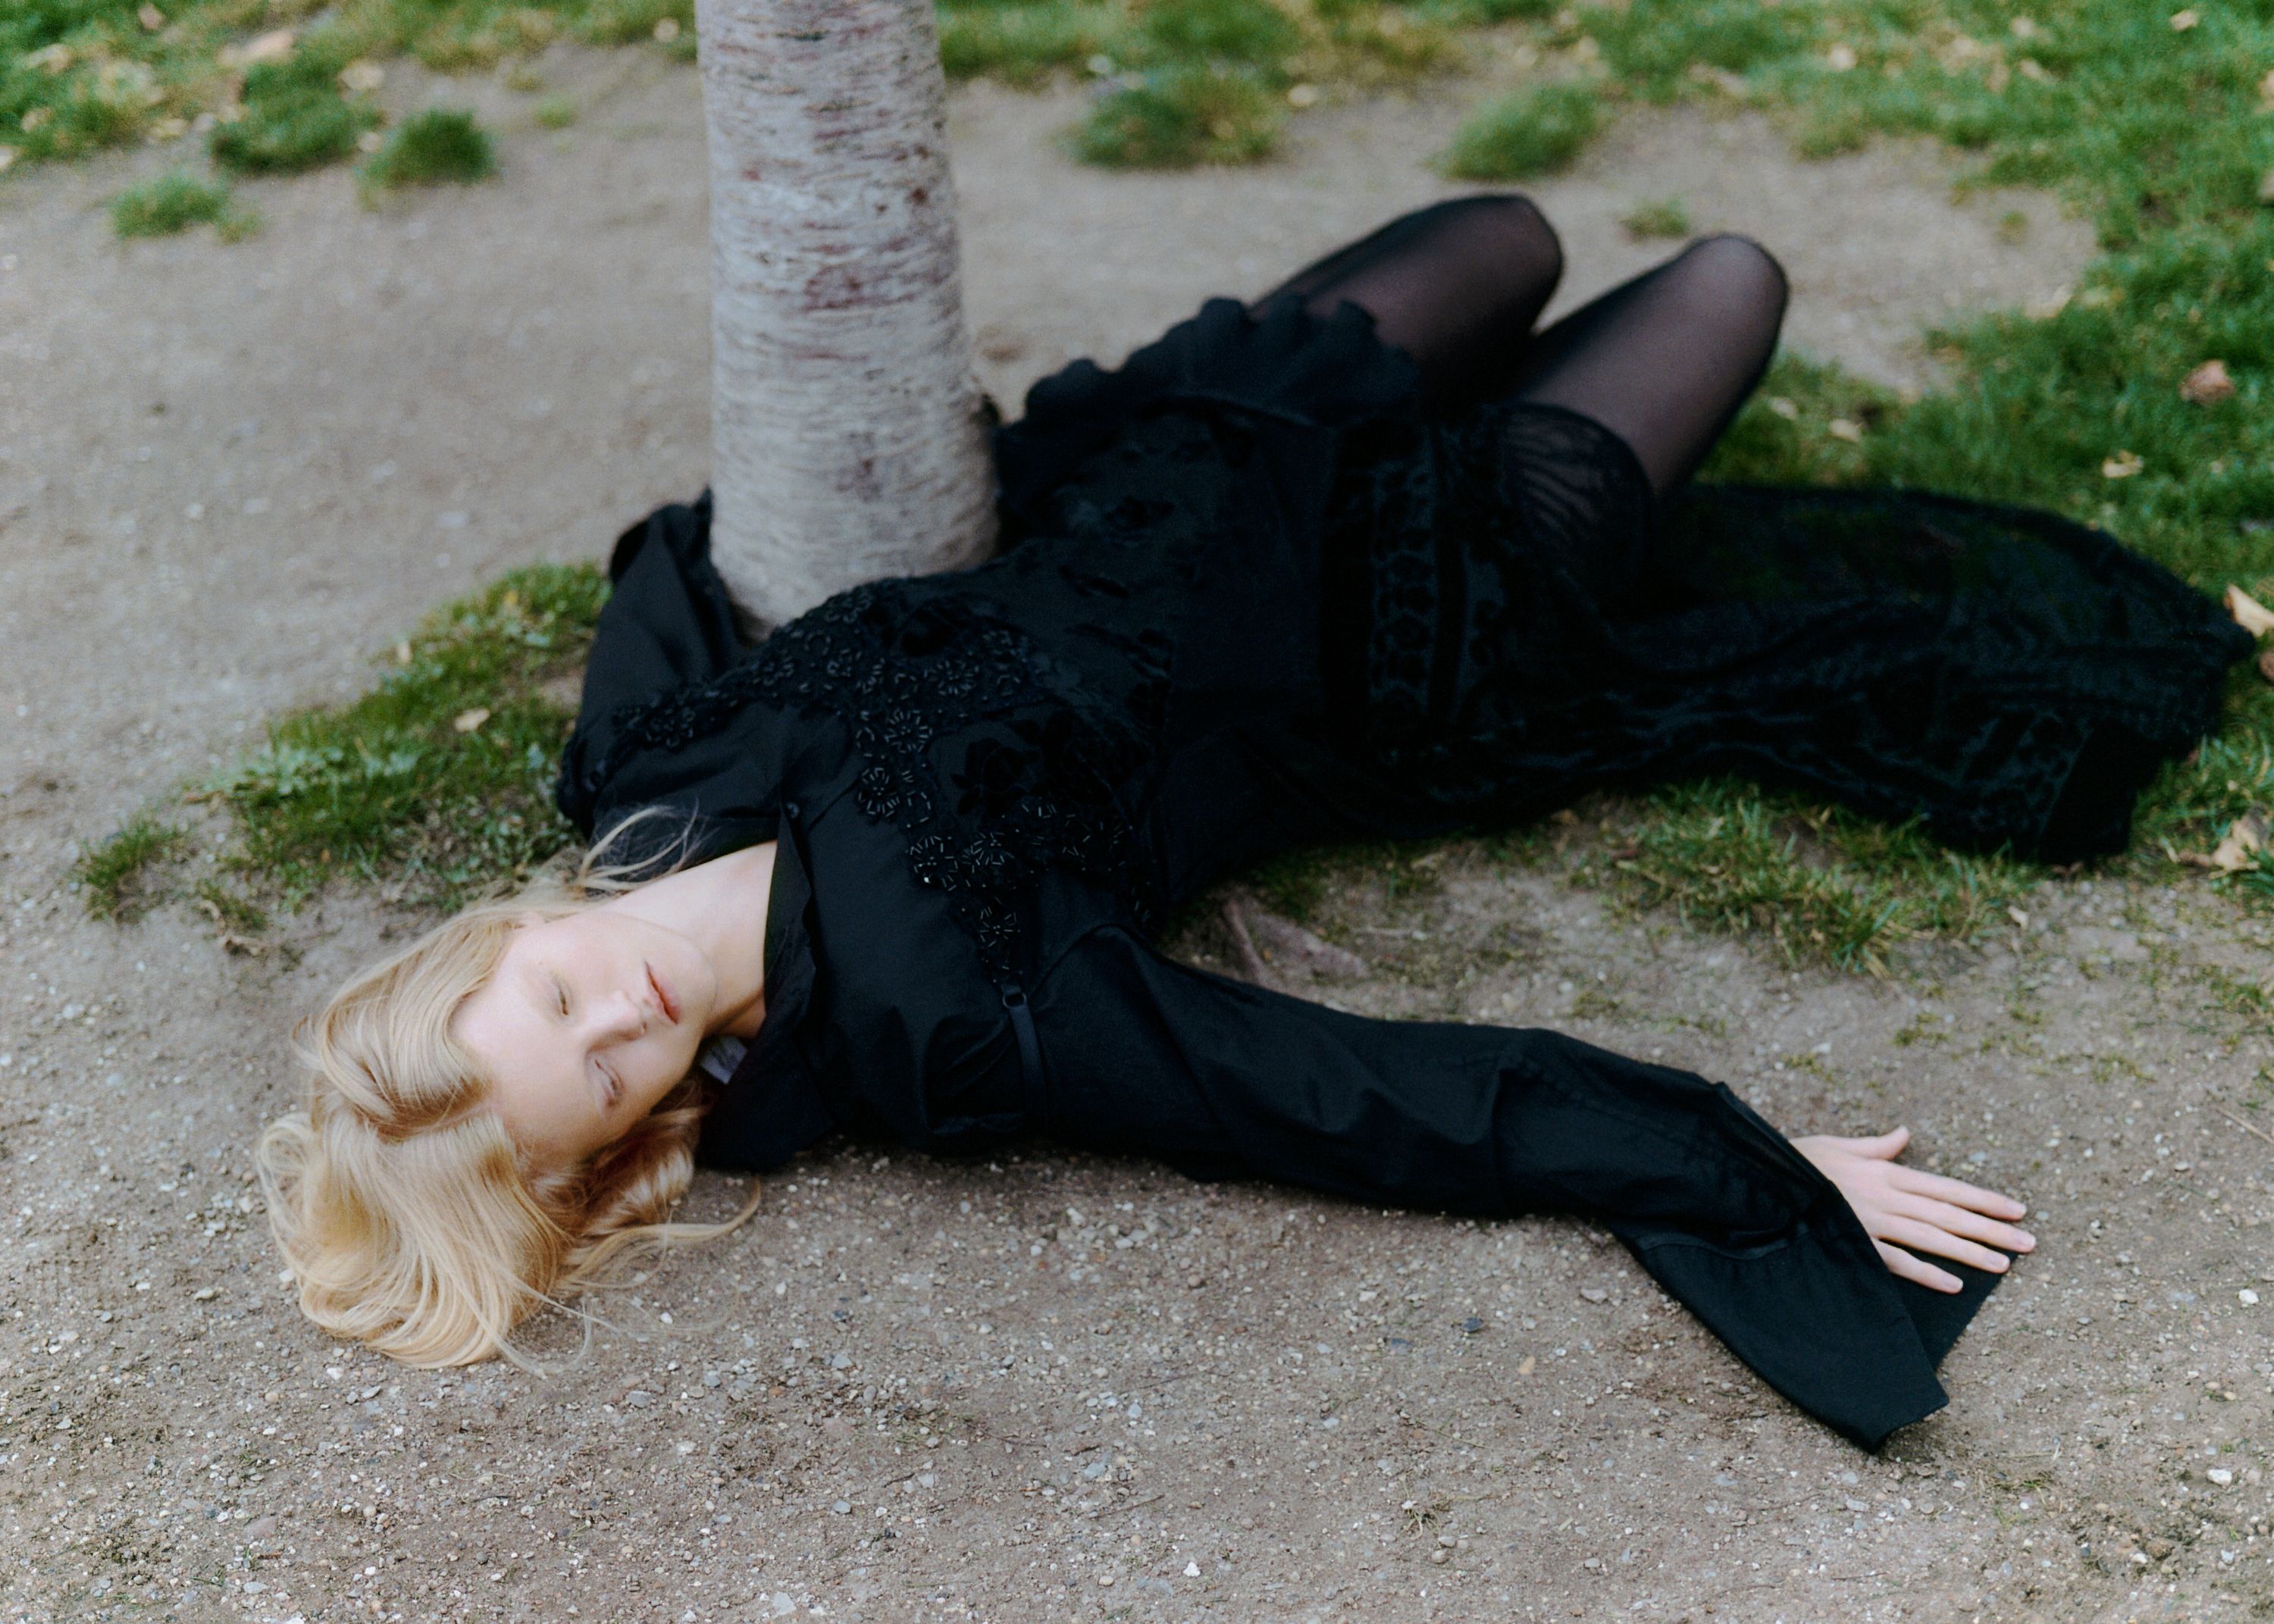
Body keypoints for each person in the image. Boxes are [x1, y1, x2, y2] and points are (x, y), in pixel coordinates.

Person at [257, 196, 2249, 1450]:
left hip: (1174, 462)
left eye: (555, 997)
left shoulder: (639, 774)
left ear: (505, 935)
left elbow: (671, 556)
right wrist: (1734, 1162)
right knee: (1734, 277)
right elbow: (1322, 1092)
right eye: (606, 1079)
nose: (620, 1015)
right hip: (1392, 627)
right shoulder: (947, 1023)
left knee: (1509, 232)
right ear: (636, 1141)